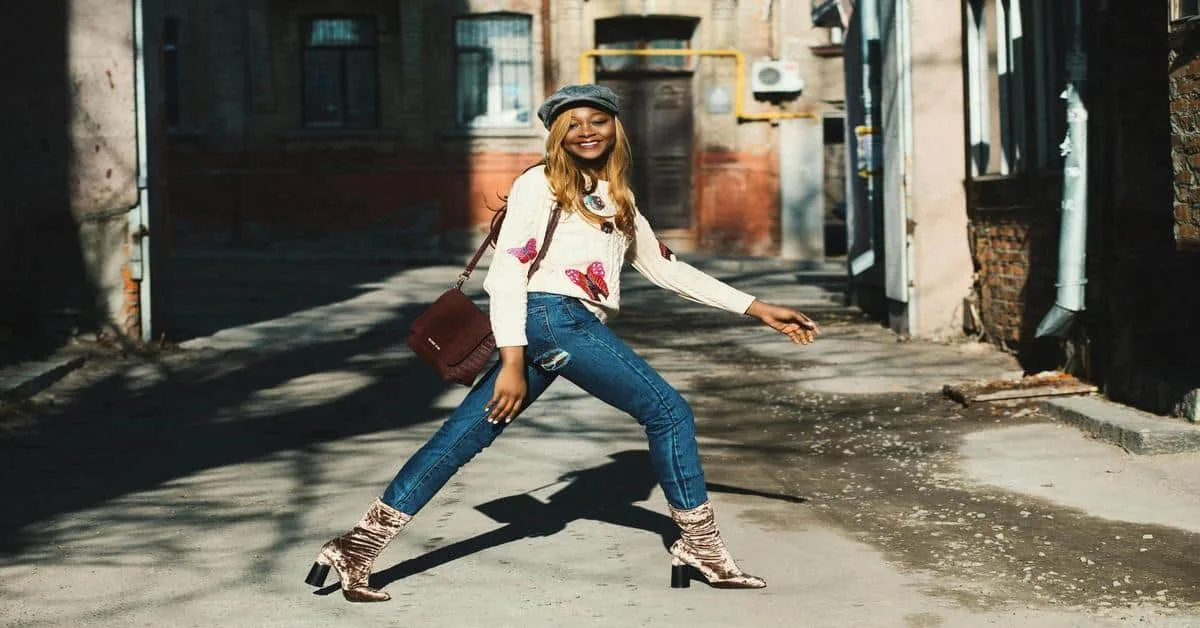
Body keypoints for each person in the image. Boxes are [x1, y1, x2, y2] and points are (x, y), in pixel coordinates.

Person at [304, 84, 820, 602]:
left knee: (462, 437)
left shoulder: (614, 193)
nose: (586, 131)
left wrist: (757, 308)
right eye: (572, 123)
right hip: (553, 320)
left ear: (616, 125)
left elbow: (664, 267)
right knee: (669, 413)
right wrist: (510, 361)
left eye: (597, 119)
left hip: (554, 324)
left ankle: (356, 547)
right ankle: (700, 548)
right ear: (557, 135)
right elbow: (507, 273)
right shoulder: (541, 183)